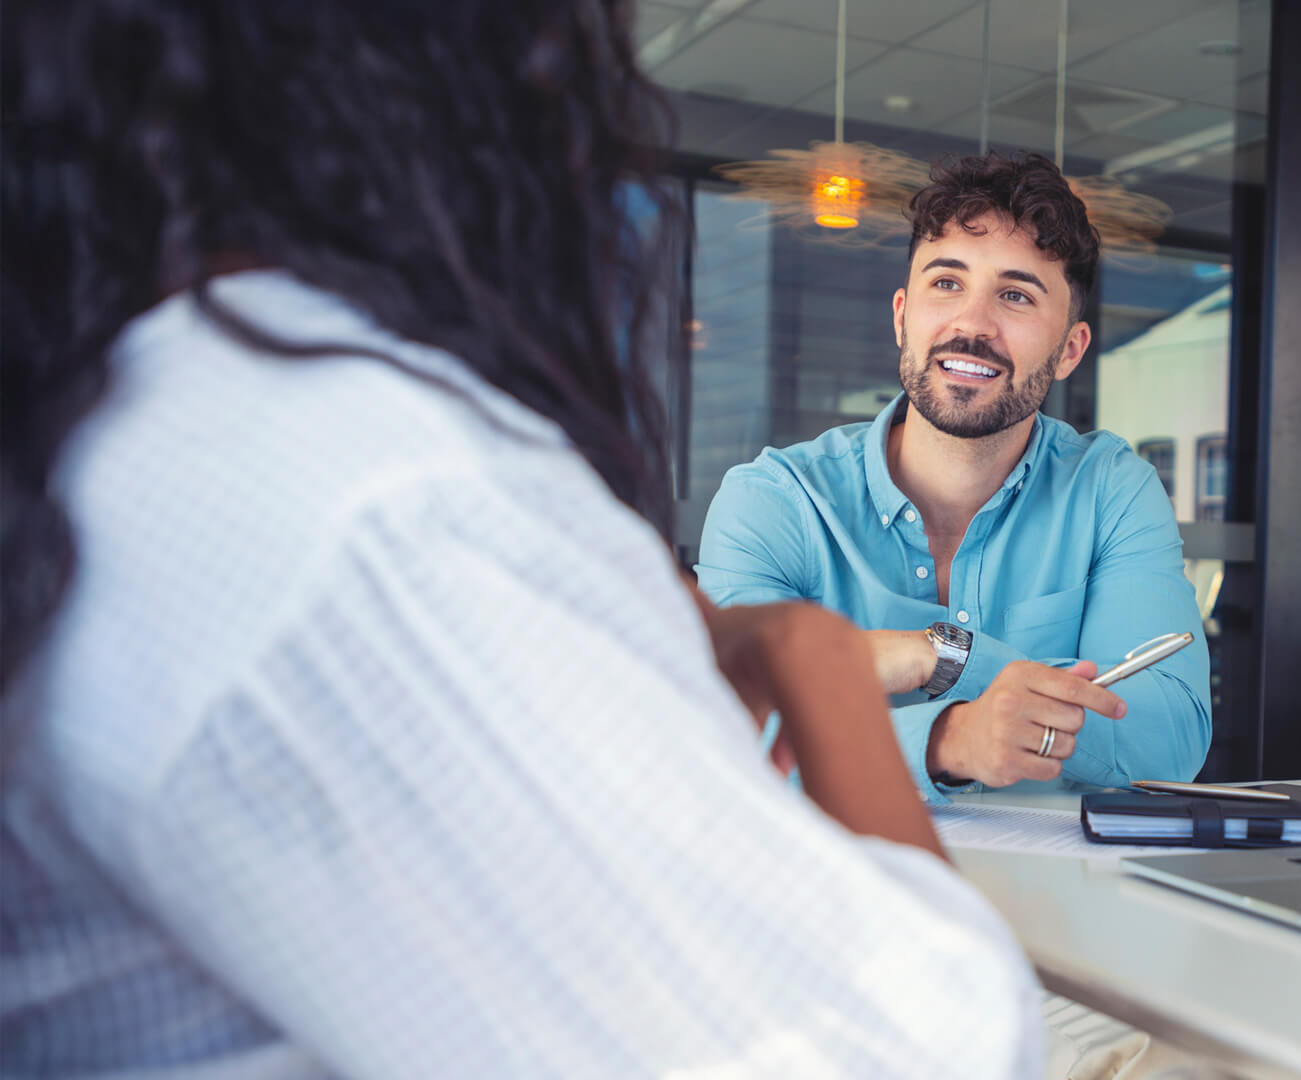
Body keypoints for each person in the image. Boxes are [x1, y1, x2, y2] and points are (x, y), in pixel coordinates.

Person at [0, 2, 1043, 1075]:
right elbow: (918, 1048)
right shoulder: (371, 490)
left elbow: (1153, 729)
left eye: (1019, 294)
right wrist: (823, 663)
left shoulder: (128, 410)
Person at [697, 152, 1211, 799]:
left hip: (1060, 898)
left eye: (1016, 295)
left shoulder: (1111, 491)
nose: (972, 324)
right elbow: (718, 731)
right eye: (946, 283)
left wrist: (944, 657)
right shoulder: (775, 502)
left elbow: (1166, 740)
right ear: (901, 317)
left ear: (1070, 350)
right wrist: (949, 737)